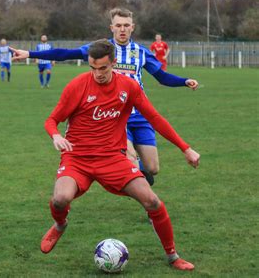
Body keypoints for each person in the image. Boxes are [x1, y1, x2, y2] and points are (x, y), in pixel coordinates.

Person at [39, 39, 199, 270]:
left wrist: (185, 148)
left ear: (113, 63)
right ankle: (60, 224)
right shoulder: (77, 86)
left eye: (103, 68)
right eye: (93, 68)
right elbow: (51, 119)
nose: (98, 74)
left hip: (112, 158)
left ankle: (173, 257)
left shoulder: (128, 87)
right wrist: (55, 136)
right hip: (77, 158)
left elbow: (155, 118)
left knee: (152, 201)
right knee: (60, 199)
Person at [11, 8, 199, 186]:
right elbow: (66, 53)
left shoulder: (141, 52)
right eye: (118, 25)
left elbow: (162, 77)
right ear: (112, 28)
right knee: (130, 160)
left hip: (140, 114)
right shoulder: (101, 49)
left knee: (152, 167)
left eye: (126, 25)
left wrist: (184, 81)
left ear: (132, 27)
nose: (122, 29)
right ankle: (151, 207)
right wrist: (30, 53)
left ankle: (137, 175)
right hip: (115, 115)